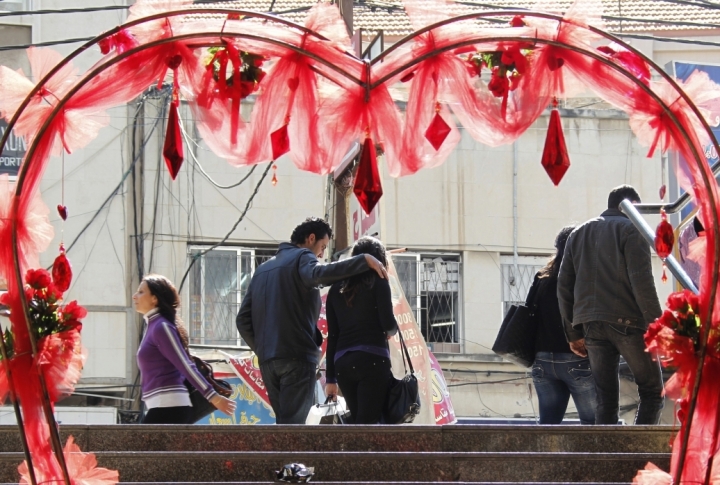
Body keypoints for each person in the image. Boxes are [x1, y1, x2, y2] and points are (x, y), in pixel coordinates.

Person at [236, 217, 388, 424]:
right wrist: (362, 261)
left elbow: (242, 320)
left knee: (284, 424)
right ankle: (292, 458)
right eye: (323, 247)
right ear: (310, 238)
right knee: (295, 428)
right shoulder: (303, 257)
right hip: (297, 357)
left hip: (269, 361)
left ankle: (283, 457)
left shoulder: (262, 270)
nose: (322, 254)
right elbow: (318, 273)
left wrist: (264, 350)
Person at [558, 185, 664, 425]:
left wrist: (573, 333)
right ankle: (637, 454)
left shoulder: (578, 233)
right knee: (652, 391)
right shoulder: (633, 231)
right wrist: (659, 328)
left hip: (591, 326)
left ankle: (606, 457)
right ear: (629, 206)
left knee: (605, 399)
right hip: (628, 322)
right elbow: (642, 284)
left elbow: (564, 285)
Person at [134, 274, 236, 424]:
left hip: (170, 408)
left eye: (141, 292)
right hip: (161, 407)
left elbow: (185, 365)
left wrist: (213, 396)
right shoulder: (154, 326)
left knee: (138, 446)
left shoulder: (161, 327)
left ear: (154, 298)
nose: (134, 296)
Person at [324, 236, 398, 424]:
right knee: (368, 423)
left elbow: (332, 336)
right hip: (372, 359)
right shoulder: (379, 281)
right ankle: (363, 453)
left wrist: (330, 378)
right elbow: (388, 323)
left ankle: (354, 452)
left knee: (357, 421)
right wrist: (391, 330)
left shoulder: (335, 289)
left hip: (343, 363)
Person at [530, 225, 597, 425]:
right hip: (577, 358)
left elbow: (531, 314)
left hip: (542, 359)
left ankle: (545, 457)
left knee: (548, 426)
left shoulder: (542, 277)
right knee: (594, 427)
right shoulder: (584, 278)